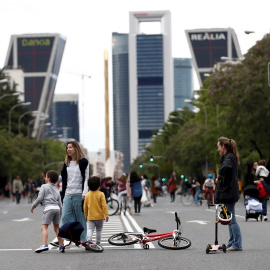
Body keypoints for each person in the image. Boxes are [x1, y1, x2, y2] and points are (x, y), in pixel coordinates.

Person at [50, 141, 89, 247]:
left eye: (70, 147)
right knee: (65, 217)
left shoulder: (83, 162)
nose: (68, 149)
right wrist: (52, 177)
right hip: (67, 193)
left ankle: (82, 239)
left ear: (76, 149)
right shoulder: (67, 162)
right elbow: (62, 177)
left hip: (79, 194)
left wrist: (84, 193)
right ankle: (63, 239)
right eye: (67, 148)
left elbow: (86, 179)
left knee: (80, 218)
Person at [216, 136, 242, 251]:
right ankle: (232, 242)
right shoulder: (229, 157)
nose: (218, 150)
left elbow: (225, 168)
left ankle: (237, 244)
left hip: (229, 192)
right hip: (228, 192)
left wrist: (219, 175)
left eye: (219, 147)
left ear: (223, 146)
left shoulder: (229, 157)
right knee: (229, 218)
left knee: (232, 219)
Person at [31, 170, 64, 253]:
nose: (44, 178)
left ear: (48, 179)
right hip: (57, 209)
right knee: (57, 228)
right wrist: (61, 212)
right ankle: (61, 245)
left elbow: (40, 198)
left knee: (44, 227)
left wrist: (33, 206)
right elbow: (60, 202)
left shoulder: (44, 186)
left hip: (49, 208)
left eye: (45, 176)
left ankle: (44, 245)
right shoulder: (56, 189)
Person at [84, 176, 109, 245]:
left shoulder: (87, 195)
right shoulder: (101, 194)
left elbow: (85, 207)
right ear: (99, 185)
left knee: (90, 229)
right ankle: (97, 243)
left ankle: (89, 239)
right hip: (100, 217)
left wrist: (86, 216)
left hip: (90, 217)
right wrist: (106, 215)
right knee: (99, 230)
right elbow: (104, 205)